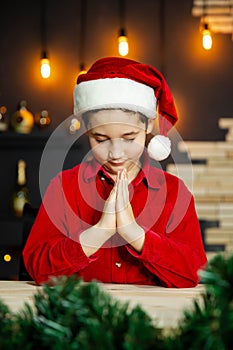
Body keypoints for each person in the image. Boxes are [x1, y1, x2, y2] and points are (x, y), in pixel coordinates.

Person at [23, 56, 207, 287]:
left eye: (129, 138)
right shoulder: (64, 186)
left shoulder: (174, 192)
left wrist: (135, 234)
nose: (116, 153)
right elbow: (37, 268)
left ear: (148, 126)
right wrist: (99, 232)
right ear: (87, 130)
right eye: (100, 139)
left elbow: (193, 274)